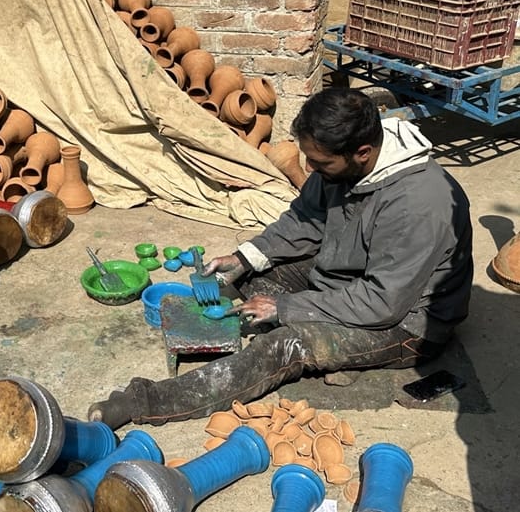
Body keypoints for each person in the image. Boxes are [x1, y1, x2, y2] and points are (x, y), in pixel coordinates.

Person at [88, 87, 473, 429]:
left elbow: (382, 303)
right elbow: (304, 220)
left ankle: (143, 402)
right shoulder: (343, 164)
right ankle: (336, 350)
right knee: (249, 275)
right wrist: (245, 256)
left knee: (284, 345)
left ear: (363, 152)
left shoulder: (419, 204)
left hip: (406, 322)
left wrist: (287, 308)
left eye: (320, 164)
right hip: (353, 280)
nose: (309, 170)